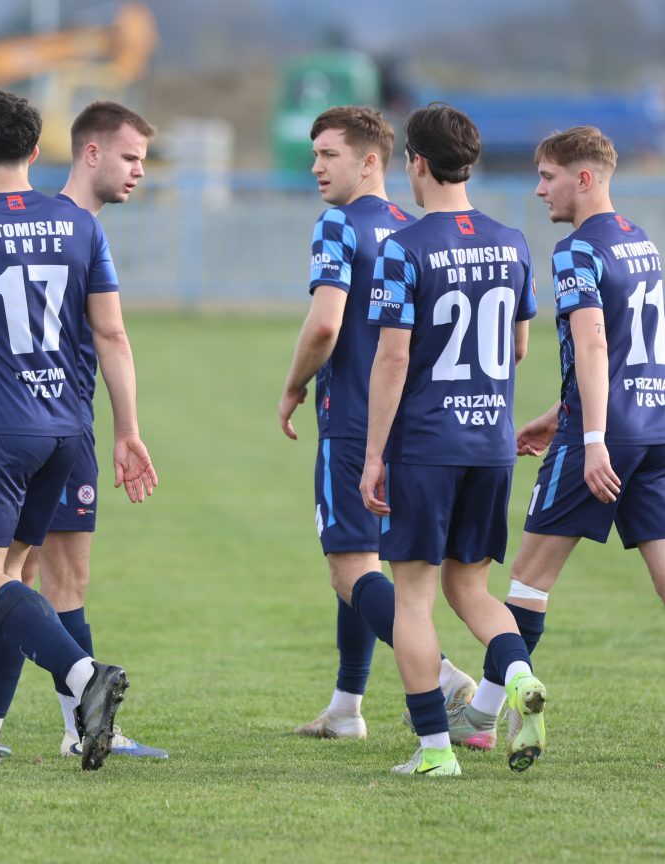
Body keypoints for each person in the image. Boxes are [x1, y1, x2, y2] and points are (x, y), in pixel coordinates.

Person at [449, 126, 665, 760]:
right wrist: (559, 413)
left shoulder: (577, 250)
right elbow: (628, 352)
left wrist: (591, 437)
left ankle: (482, 716)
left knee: (528, 579)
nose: (539, 188)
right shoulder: (641, 241)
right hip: (659, 428)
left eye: (547, 176)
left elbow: (596, 344)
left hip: (603, 437)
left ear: (584, 178)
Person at [0, 100, 167, 761]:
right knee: (11, 581)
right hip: (66, 430)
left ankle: (84, 678)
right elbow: (111, 333)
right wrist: (128, 428)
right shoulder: (80, 227)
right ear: (35, 151)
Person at [277, 106, 475, 740]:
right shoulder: (414, 230)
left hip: (353, 422)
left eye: (328, 155)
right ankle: (346, 708)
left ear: (370, 162)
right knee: (368, 564)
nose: (316, 167)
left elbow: (325, 324)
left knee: (350, 568)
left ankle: (442, 676)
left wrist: (294, 384)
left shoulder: (339, 223)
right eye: (314, 154)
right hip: (415, 429)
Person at [361, 103, 545, 777]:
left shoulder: (403, 248)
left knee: (413, 598)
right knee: (472, 589)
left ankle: (436, 752)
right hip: (491, 442)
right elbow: (519, 347)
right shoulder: (512, 241)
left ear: (415, 162)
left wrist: (373, 455)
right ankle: (519, 678)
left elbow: (392, 358)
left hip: (426, 444)